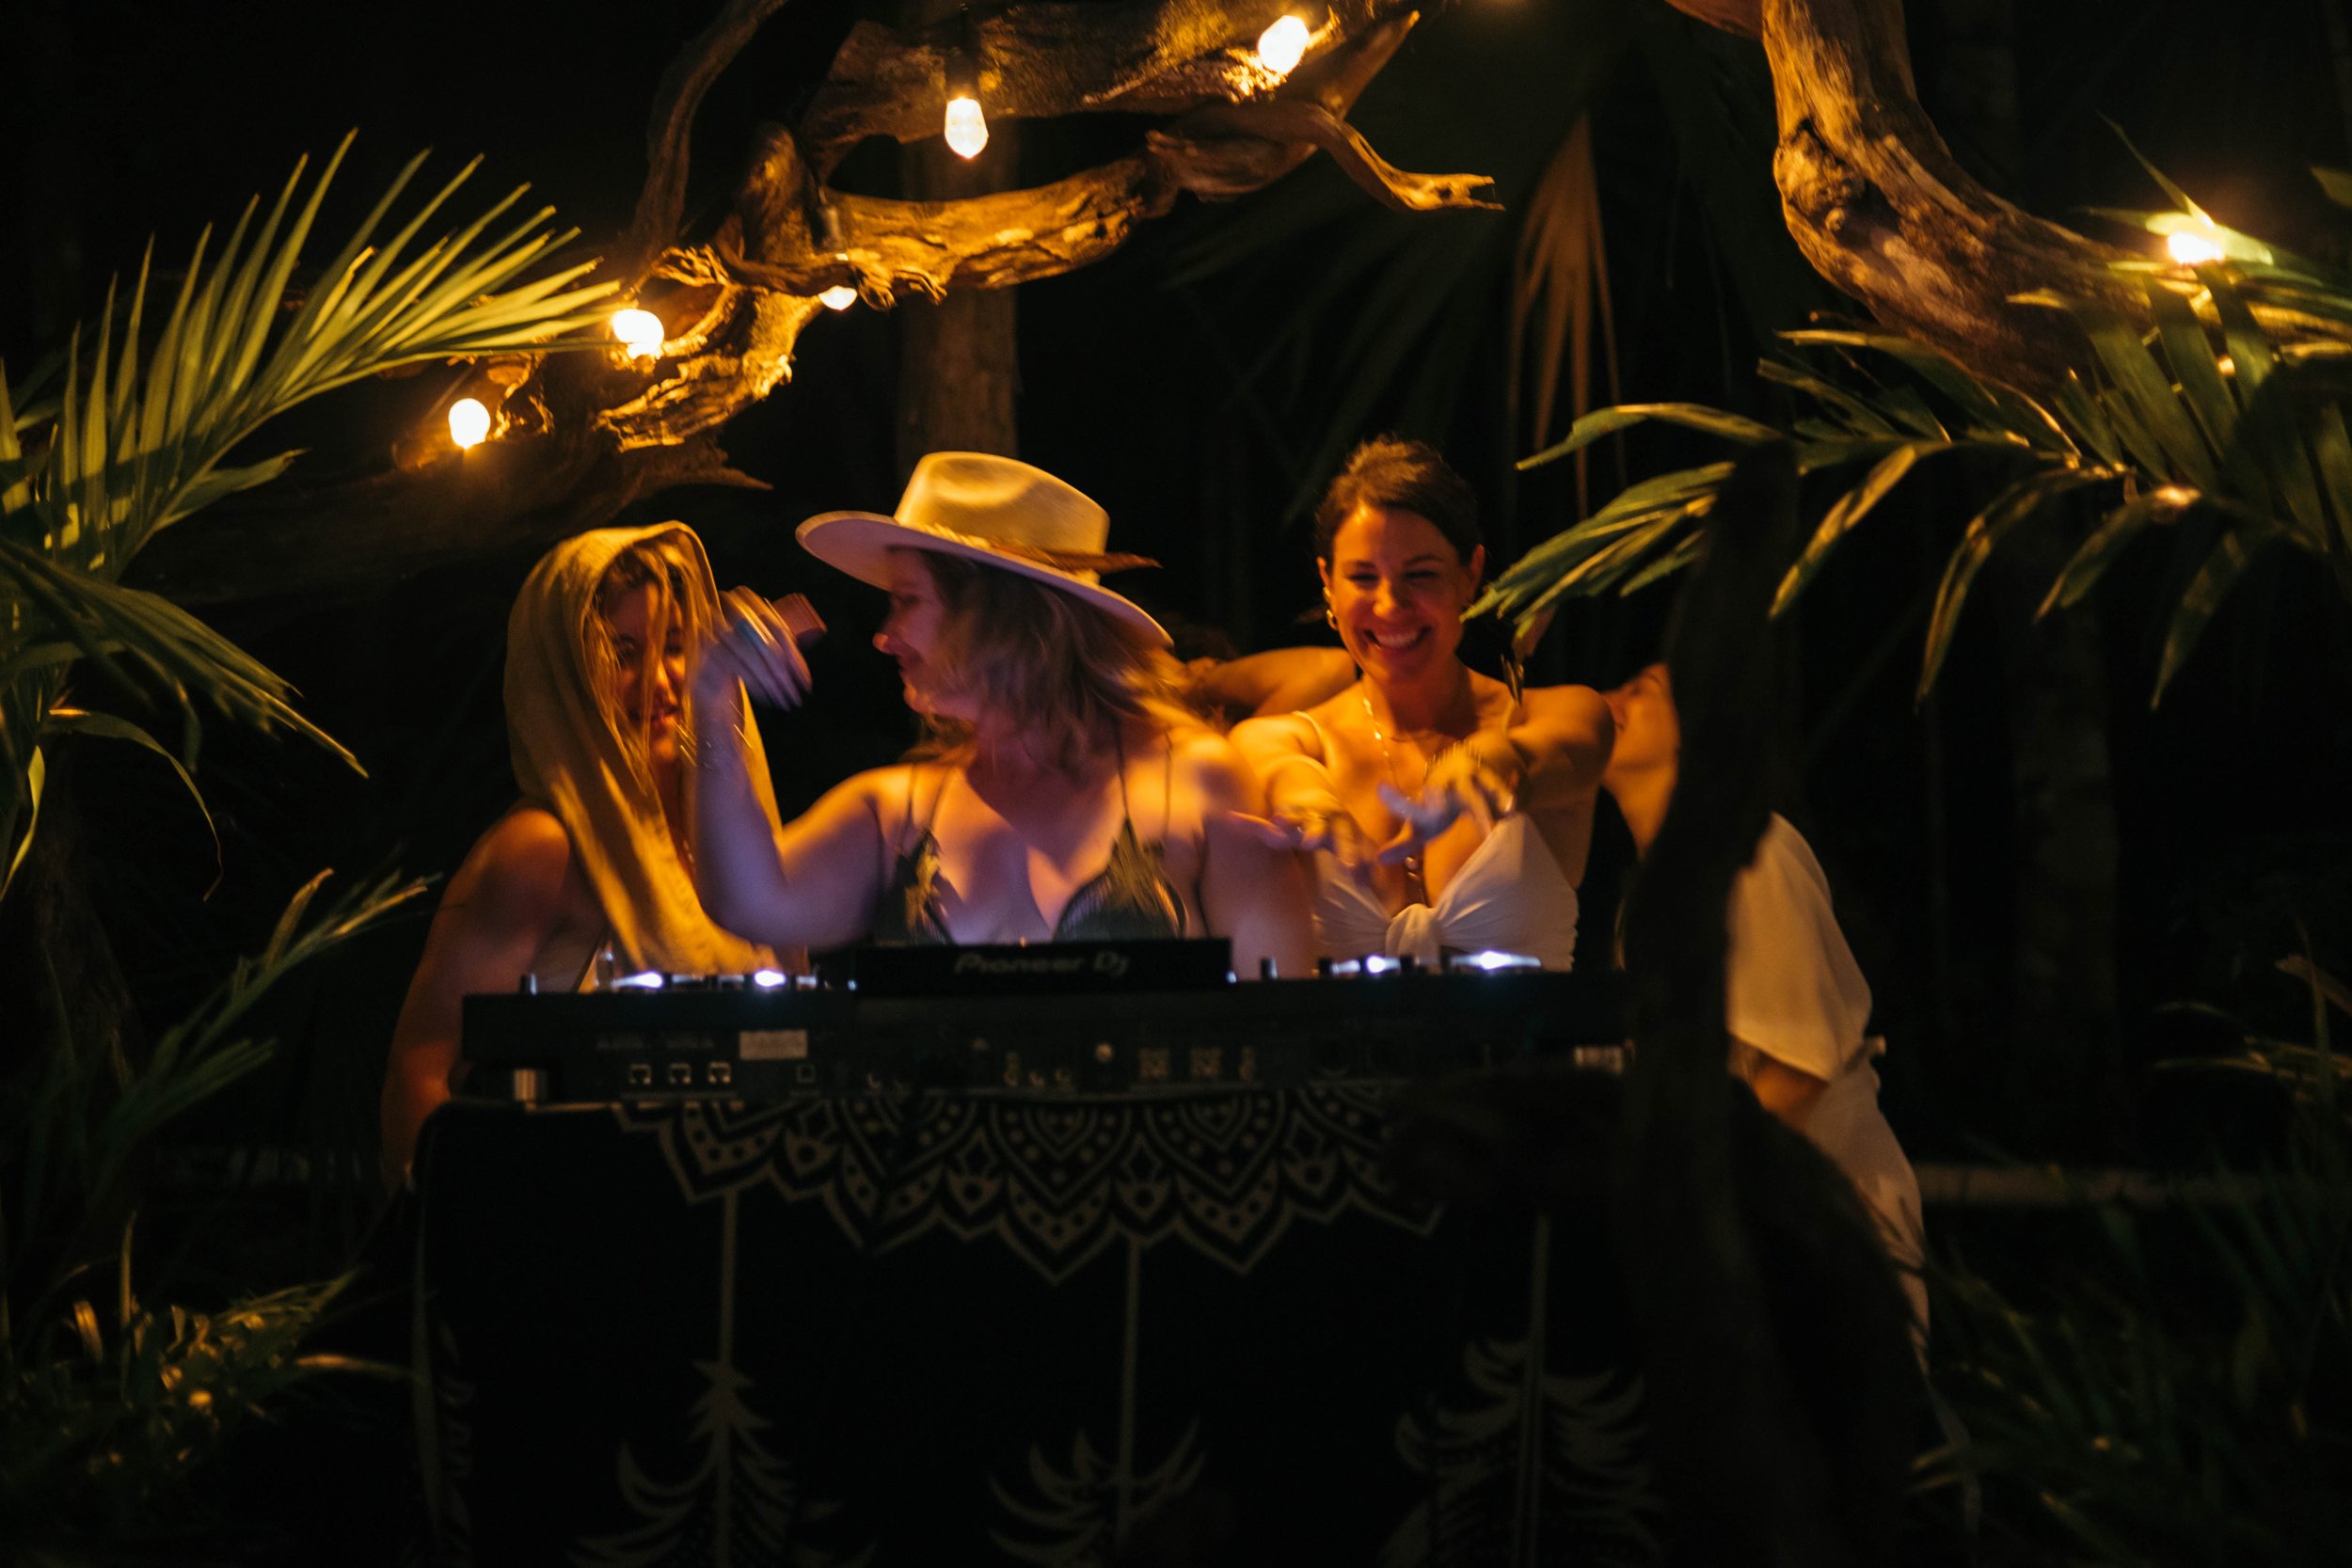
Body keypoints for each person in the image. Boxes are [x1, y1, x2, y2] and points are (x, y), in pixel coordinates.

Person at [687, 451, 1314, 976]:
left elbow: (1285, 1019)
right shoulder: (896, 808)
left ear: (999, 614)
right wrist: (712, 703)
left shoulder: (1196, 779)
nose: (886, 636)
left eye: (907, 601)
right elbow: (748, 903)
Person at [380, 524, 788, 1183]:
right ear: (565, 674)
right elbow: (418, 1071)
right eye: (625, 654)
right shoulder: (540, 849)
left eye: (676, 646)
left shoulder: (720, 833)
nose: (659, 681)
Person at [1600, 660, 1928, 1338]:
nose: (1610, 699)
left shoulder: (1752, 852)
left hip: (1815, 1230)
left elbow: (1797, 1069)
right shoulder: (1649, 899)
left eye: (1643, 690)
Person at [1228, 438, 1613, 969]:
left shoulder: (1557, 715)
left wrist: (1487, 762)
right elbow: (1276, 767)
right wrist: (1309, 799)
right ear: (1328, 586)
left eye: (1421, 574)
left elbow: (1556, 754)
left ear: (1470, 576)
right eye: (1363, 577)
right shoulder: (1284, 739)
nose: (1391, 604)